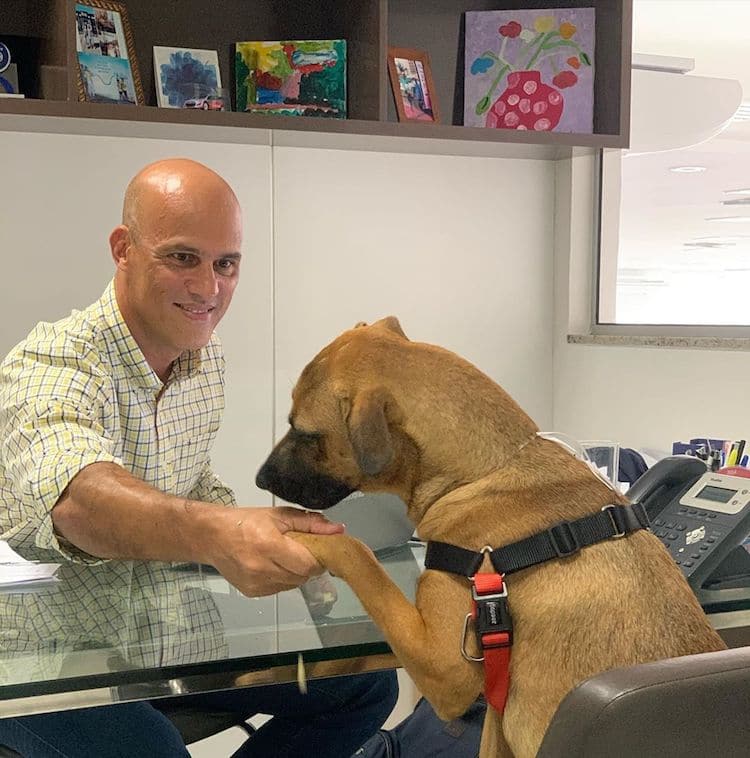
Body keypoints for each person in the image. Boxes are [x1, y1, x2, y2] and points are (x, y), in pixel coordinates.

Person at [0, 158, 398, 757]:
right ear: (123, 249)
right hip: (47, 670)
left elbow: (189, 484)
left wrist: (282, 548)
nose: (208, 288)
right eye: (182, 257)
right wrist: (224, 532)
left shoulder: (203, 359)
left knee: (364, 684)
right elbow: (78, 500)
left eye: (225, 264)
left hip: (164, 644)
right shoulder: (51, 365)